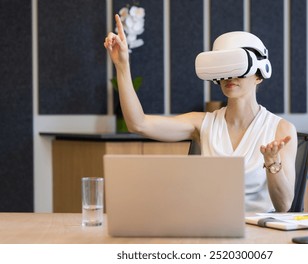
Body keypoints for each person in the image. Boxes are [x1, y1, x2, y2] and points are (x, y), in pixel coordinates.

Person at [104, 14, 297, 213]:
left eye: (238, 67)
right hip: (210, 230)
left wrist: (272, 161)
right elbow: (139, 124)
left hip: (259, 234)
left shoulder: (280, 130)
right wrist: (122, 66)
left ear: (259, 75)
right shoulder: (202, 123)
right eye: (224, 68)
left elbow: (284, 206)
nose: (229, 76)